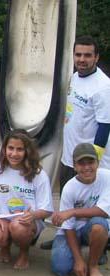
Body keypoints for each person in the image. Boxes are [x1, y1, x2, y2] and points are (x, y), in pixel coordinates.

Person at [41, 35, 110, 251]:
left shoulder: (103, 86)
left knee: (94, 204)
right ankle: (63, 233)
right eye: (78, 54)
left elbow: (105, 126)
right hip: (68, 154)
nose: (82, 59)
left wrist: (93, 163)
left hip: (89, 159)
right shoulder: (74, 77)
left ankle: (100, 240)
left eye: (87, 55)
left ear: (96, 57)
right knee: (66, 197)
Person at [0, 129, 53, 269]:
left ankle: (24, 253)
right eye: (11, 148)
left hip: (26, 221)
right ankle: (5, 247)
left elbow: (47, 210)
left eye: (20, 149)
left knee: (18, 227)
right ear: (4, 149)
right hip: (1, 218)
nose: (14, 154)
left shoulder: (39, 174)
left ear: (28, 151)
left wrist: (33, 215)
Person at [51, 143, 110, 276]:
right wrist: (78, 260)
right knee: (61, 269)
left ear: (98, 163)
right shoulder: (69, 188)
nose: (87, 167)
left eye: (91, 162)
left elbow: (103, 211)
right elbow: (68, 227)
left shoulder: (107, 177)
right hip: (73, 231)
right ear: (74, 166)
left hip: (94, 227)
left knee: (99, 224)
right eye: (81, 164)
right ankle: (90, 252)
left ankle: (93, 265)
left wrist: (71, 212)